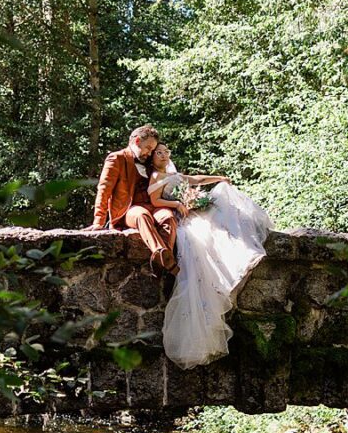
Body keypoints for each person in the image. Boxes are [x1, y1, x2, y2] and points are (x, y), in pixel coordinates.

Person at [146, 144, 272, 369]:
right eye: (159, 153)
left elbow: (195, 179)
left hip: (190, 211)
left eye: (166, 152)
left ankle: (241, 253)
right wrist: (178, 203)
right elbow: (155, 200)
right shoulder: (156, 176)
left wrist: (218, 178)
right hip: (181, 216)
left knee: (222, 196)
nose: (164, 155)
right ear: (152, 157)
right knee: (204, 236)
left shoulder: (172, 173)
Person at [89, 124, 180, 276]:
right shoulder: (117, 158)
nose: (149, 153)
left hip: (153, 205)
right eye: (148, 148)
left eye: (152, 150)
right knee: (141, 215)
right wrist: (99, 221)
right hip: (129, 210)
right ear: (137, 141)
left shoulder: (150, 162)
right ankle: (160, 252)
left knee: (168, 216)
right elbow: (104, 190)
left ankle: (162, 259)